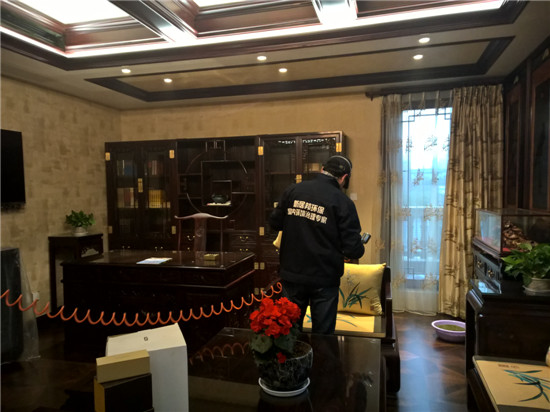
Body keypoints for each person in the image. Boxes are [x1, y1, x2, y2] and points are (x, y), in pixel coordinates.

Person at [269, 155, 365, 334]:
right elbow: (353, 250)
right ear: (344, 177)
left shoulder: (293, 190)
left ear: (322, 169)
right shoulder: (343, 202)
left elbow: (274, 223)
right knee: (323, 335)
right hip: (324, 279)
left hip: (292, 274)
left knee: (288, 332)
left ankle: (293, 353)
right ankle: (321, 353)